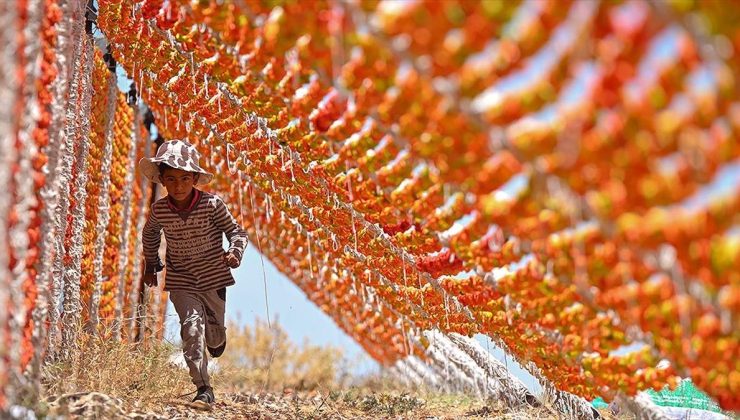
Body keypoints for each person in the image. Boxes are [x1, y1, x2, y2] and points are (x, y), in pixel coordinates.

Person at [138, 139, 248, 408]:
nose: (178, 186)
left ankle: (217, 338)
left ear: (195, 178)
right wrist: (151, 263)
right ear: (162, 180)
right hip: (182, 279)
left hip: (213, 278)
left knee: (213, 334)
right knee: (191, 327)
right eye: (171, 179)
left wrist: (235, 252)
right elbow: (150, 234)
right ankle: (203, 388)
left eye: (185, 179)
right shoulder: (160, 210)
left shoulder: (212, 205)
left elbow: (237, 232)